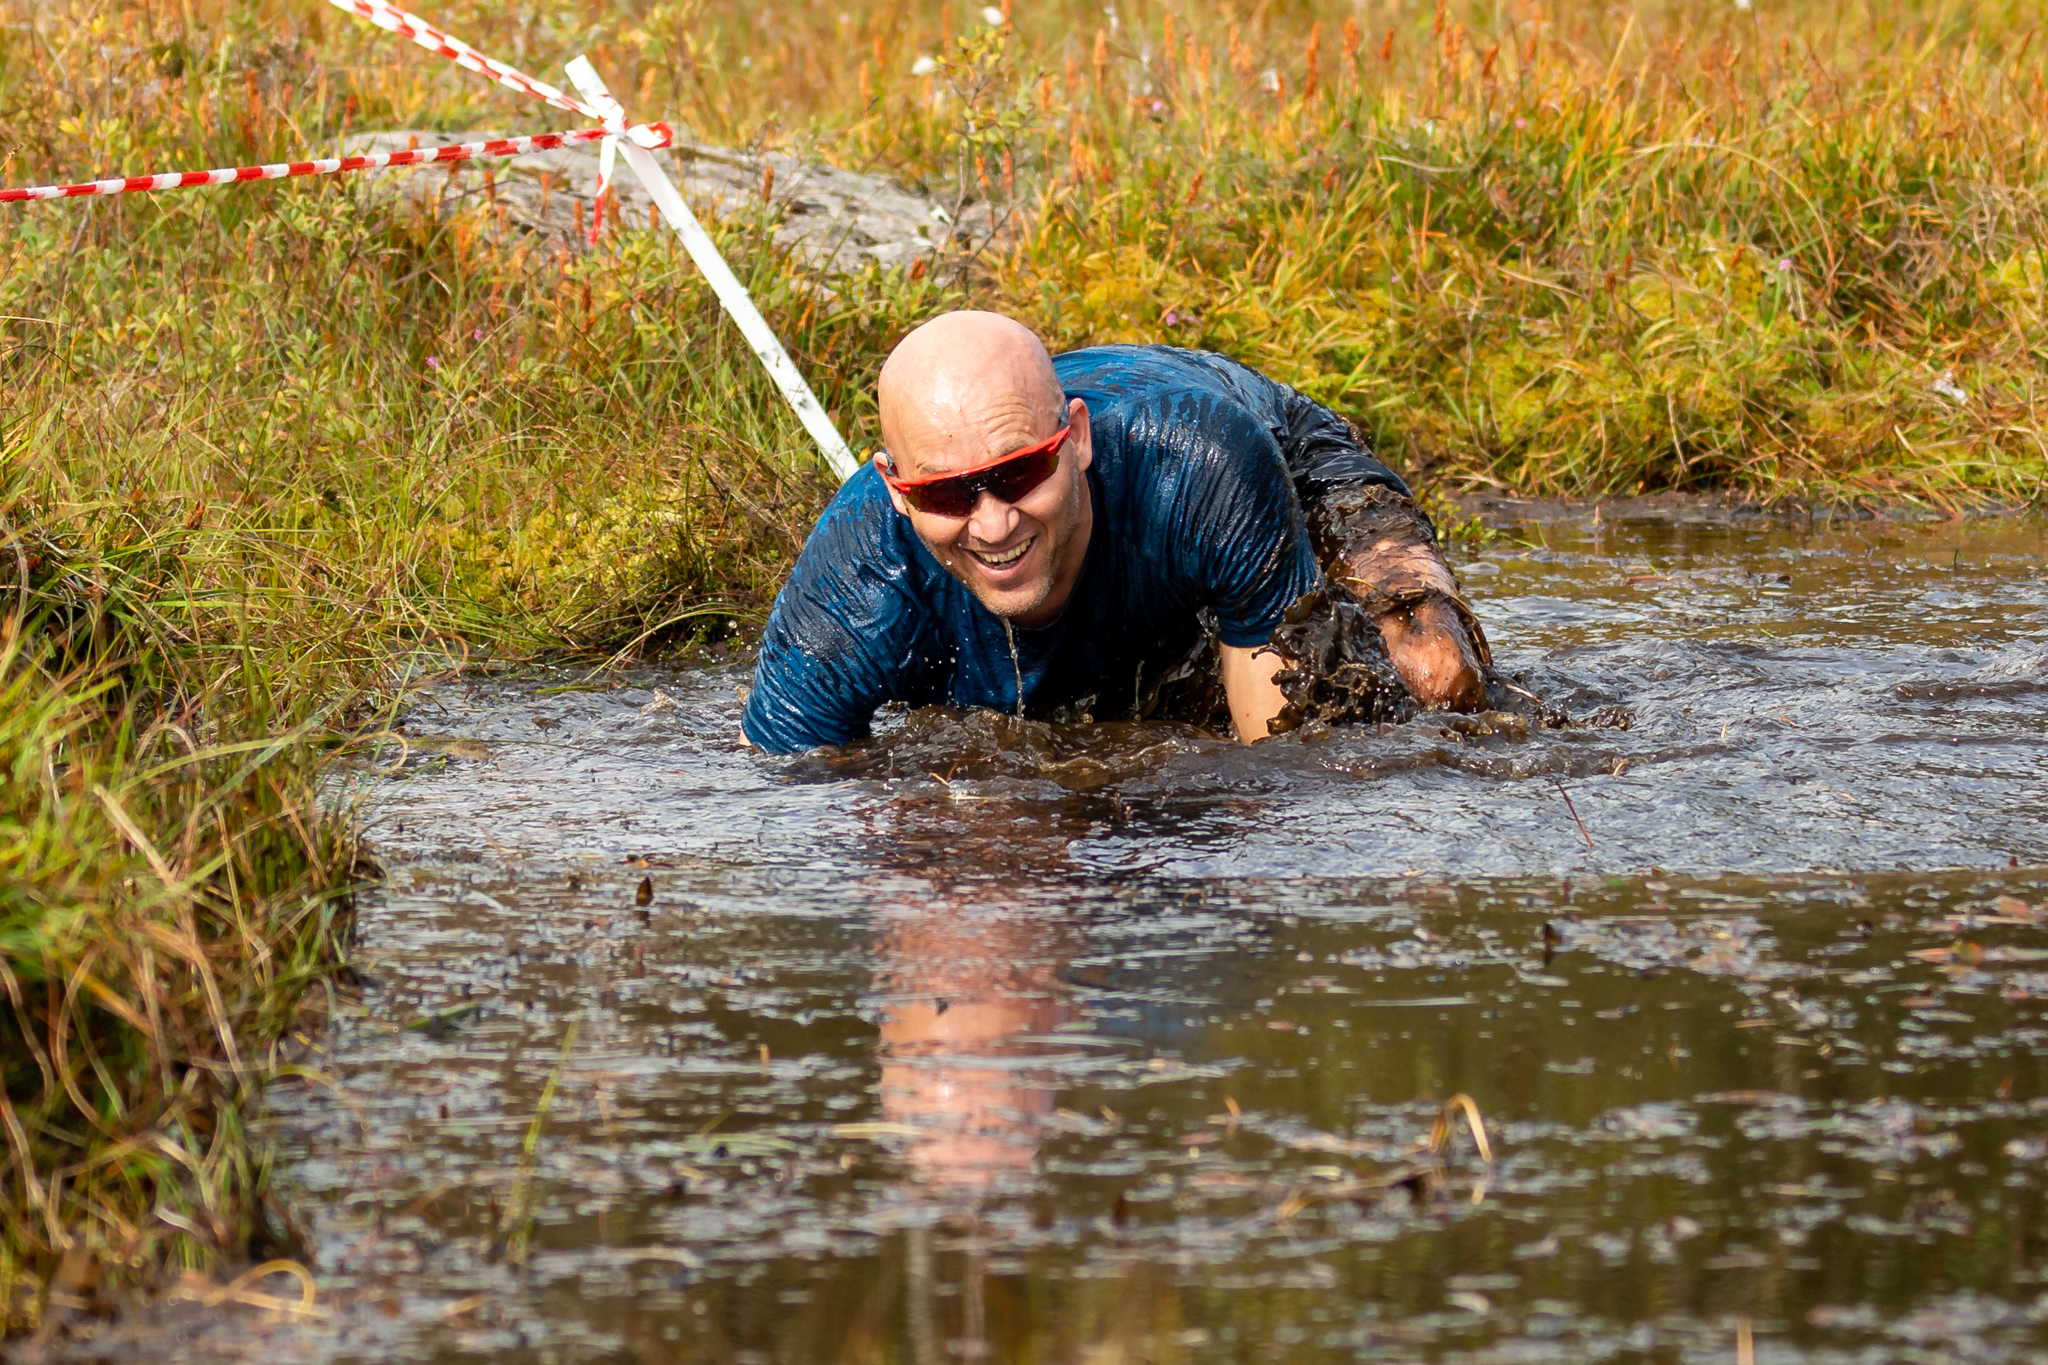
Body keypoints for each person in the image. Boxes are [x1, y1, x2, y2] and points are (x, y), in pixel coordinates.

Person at [741, 310, 1489, 754]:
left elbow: (1280, 767)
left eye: (1020, 472)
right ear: (895, 489)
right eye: (944, 492)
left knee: (1432, 675)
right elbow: (775, 789)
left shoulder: (1202, 468)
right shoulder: (855, 583)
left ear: (1074, 440)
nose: (994, 523)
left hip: (1284, 458)